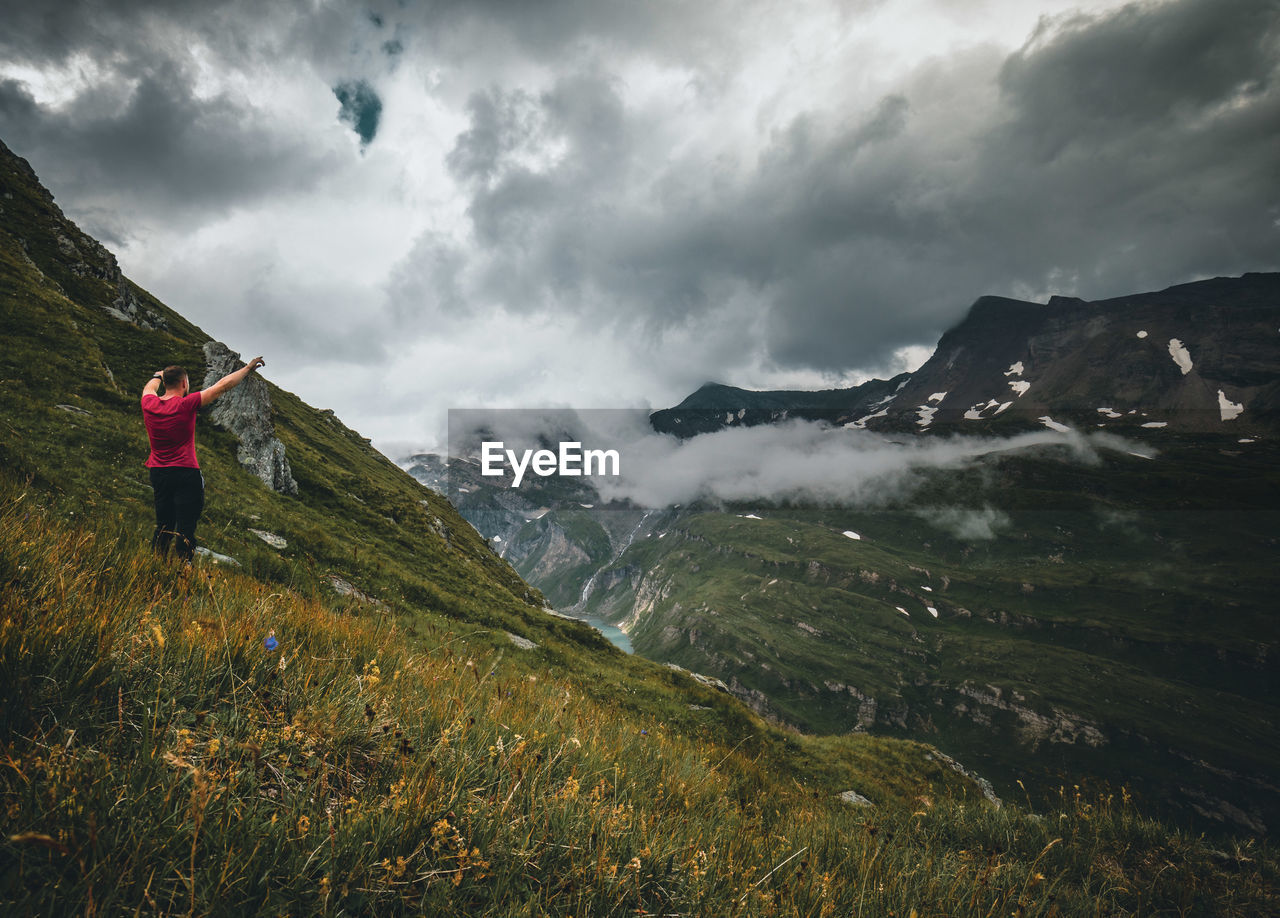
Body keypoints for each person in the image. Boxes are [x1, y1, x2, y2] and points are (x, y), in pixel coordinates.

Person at [141, 356, 265, 562]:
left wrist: (157, 375)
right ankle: (184, 570)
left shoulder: (149, 403)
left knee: (163, 525)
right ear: (183, 383)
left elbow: (149, 388)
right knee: (186, 527)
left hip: (159, 472)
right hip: (185, 473)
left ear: (164, 383)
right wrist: (248, 368)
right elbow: (222, 386)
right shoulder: (186, 404)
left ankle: (155, 565)